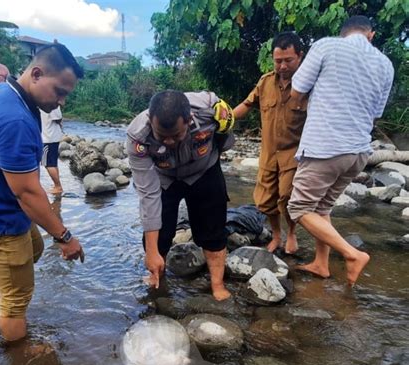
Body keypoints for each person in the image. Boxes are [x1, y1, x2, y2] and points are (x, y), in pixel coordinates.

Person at [0, 43, 85, 342]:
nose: (60, 102)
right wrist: (65, 237)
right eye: (59, 92)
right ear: (36, 73)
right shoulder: (15, 119)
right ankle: (20, 364)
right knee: (17, 302)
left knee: (34, 249)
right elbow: (28, 194)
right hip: (1, 223)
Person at [287, 16, 394, 285]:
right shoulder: (385, 64)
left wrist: (300, 107)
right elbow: (376, 114)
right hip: (358, 151)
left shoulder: (327, 47)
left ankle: (352, 254)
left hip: (325, 145)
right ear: (371, 35)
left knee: (299, 208)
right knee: (322, 207)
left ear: (343, 32)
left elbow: (297, 90)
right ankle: (321, 264)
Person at [127, 90, 235, 301]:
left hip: (205, 170)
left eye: (176, 135)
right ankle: (157, 278)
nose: (168, 142)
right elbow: (148, 194)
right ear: (151, 120)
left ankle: (217, 285)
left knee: (212, 231)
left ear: (188, 120)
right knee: (160, 236)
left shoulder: (209, 111)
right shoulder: (137, 137)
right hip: (164, 177)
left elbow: (227, 140)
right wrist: (150, 251)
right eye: (161, 136)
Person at [233, 32, 307, 254]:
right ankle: (276, 235)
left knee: (287, 197)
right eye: (278, 61)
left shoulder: (308, 85)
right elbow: (246, 105)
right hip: (268, 153)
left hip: (294, 153)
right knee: (266, 201)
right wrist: (223, 118)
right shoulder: (265, 82)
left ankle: (292, 233)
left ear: (300, 56)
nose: (282, 66)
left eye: (288, 60)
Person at [41, 106, 63, 194]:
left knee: (48, 164)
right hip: (52, 137)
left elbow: (58, 118)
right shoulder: (49, 102)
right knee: (53, 163)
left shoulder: (51, 103)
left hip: (48, 138)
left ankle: (58, 187)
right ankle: (57, 185)